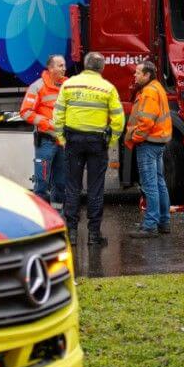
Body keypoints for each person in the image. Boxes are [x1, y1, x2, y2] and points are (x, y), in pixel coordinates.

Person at [54, 52, 124, 247]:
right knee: (95, 189)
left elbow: (58, 114)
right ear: (101, 68)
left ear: (85, 66)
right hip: (96, 143)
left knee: (72, 188)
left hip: (73, 141)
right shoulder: (108, 88)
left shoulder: (69, 85)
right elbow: (118, 119)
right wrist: (111, 140)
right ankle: (94, 235)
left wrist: (61, 138)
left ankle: (72, 235)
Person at [124, 61, 172, 238]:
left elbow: (146, 122)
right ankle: (163, 221)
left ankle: (150, 225)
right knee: (159, 183)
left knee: (150, 185)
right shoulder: (156, 87)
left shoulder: (149, 92)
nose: (135, 76)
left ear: (147, 75)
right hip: (157, 142)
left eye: (138, 73)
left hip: (148, 144)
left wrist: (136, 138)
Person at [20, 55, 67, 210]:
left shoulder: (68, 86)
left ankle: (57, 217)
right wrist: (48, 123)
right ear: (50, 68)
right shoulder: (37, 86)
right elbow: (25, 112)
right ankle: (41, 218)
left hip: (63, 143)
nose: (64, 68)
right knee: (42, 183)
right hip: (45, 142)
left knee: (60, 183)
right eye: (60, 65)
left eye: (64, 65)